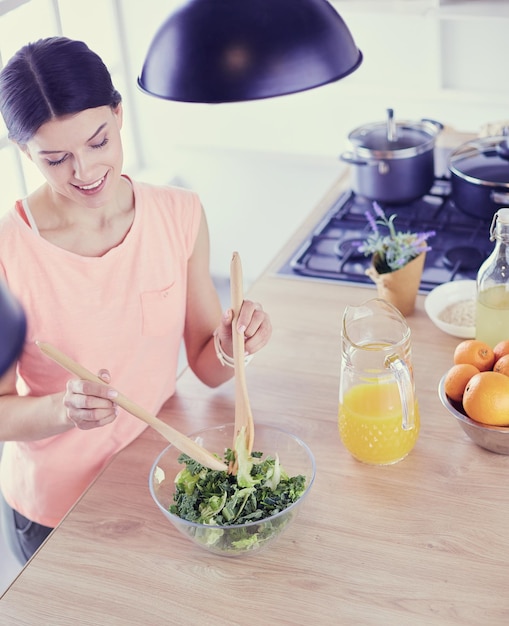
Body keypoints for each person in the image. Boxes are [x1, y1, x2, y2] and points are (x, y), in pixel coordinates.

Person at [0, 36, 272, 565]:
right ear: (23, 150)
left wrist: (234, 347)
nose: (84, 171)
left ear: (119, 114)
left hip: (162, 475)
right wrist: (64, 409)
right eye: (55, 159)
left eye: (98, 142)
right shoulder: (7, 251)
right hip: (56, 510)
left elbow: (207, 366)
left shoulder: (179, 215)